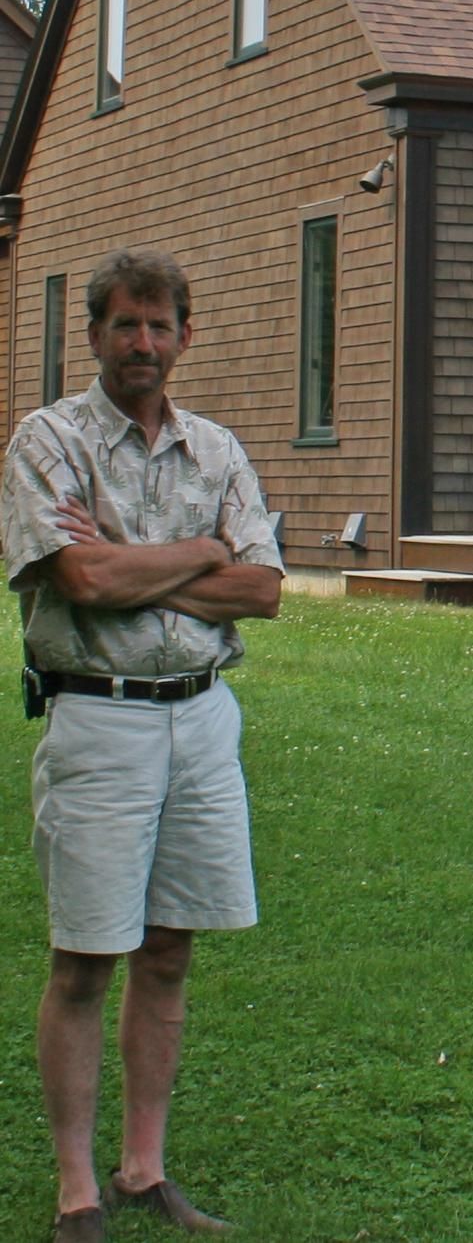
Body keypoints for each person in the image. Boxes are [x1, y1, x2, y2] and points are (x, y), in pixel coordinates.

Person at [3, 250, 284, 1242]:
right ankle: (77, 1191)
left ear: (185, 334)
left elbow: (263, 588)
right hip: (99, 715)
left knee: (168, 951)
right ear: (94, 334)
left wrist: (141, 561)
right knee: (86, 956)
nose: (144, 343)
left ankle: (142, 1168)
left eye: (161, 325)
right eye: (125, 325)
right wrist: (201, 550)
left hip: (202, 717)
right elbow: (77, 579)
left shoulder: (216, 449)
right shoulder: (49, 440)